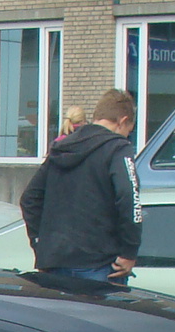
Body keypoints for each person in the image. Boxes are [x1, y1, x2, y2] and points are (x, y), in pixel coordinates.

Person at [18, 88, 143, 283]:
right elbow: (129, 198)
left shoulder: (62, 147)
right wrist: (129, 252)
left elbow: (29, 199)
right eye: (129, 130)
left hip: (55, 262)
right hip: (100, 264)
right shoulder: (118, 148)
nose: (128, 135)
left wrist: (40, 244)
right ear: (123, 121)